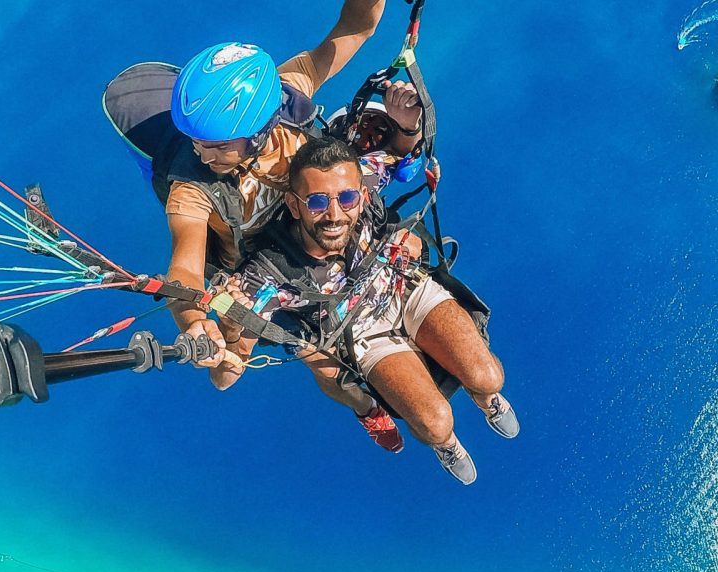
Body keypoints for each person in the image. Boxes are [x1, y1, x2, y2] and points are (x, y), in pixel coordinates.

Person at [103, 1, 423, 451]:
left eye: (214, 145)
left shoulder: (285, 95)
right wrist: (194, 322)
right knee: (314, 360)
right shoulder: (191, 189)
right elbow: (185, 267)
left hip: (315, 227)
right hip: (263, 271)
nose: (200, 155)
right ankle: (365, 409)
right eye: (194, 141)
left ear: (258, 132)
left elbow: (355, 27)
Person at [210, 137, 519, 484]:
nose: (334, 215)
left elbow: (405, 151)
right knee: (435, 424)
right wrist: (231, 324)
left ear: (362, 195)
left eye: (346, 198)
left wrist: (410, 126)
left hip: (405, 290)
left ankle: (487, 397)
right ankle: (446, 444)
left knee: (487, 377)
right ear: (294, 206)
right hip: (362, 335)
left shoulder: (366, 179)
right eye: (316, 201)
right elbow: (224, 378)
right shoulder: (267, 274)